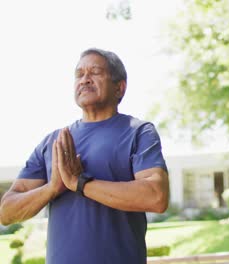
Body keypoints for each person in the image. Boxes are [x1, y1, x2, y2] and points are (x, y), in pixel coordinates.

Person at [0, 48, 169, 264]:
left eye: (95, 72)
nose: (85, 79)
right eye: (79, 74)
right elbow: (6, 212)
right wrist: (52, 188)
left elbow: (156, 196)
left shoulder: (138, 131)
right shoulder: (53, 141)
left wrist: (80, 183)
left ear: (119, 87)